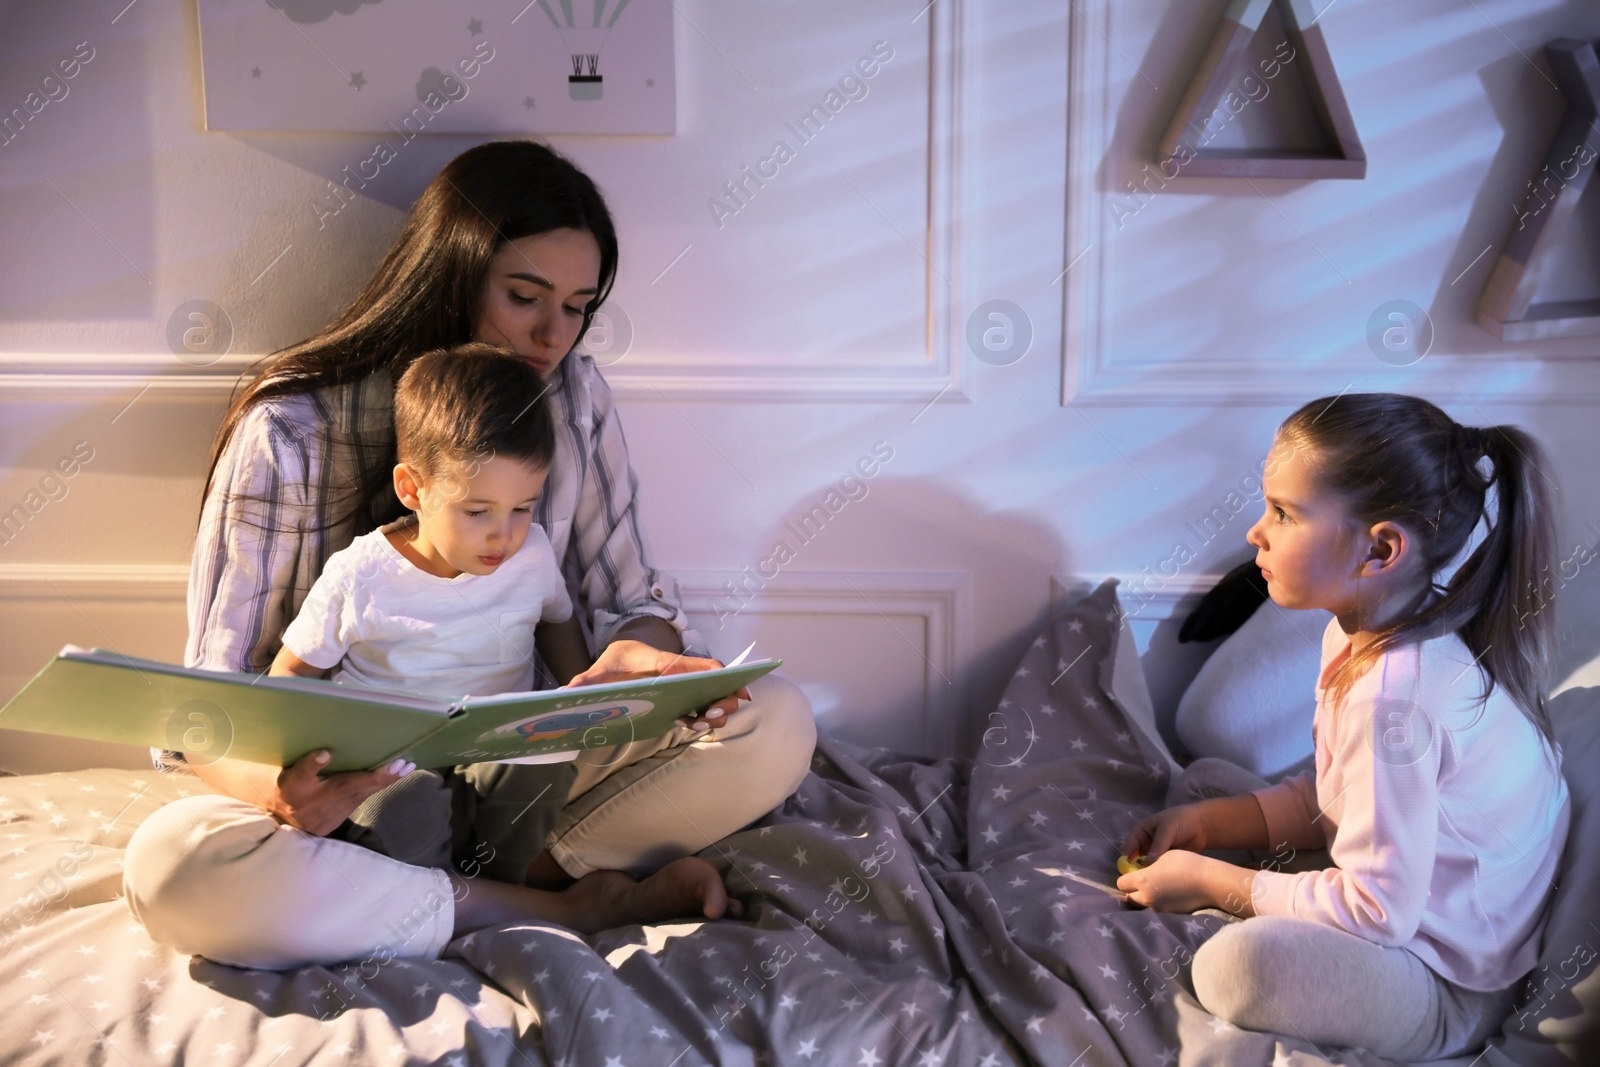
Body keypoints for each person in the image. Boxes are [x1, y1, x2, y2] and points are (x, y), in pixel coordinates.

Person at [122, 140, 816, 970]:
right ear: (454, 272)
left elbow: (631, 598)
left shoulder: (573, 396)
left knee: (775, 721)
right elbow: (207, 710)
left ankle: (473, 884)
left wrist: (646, 656)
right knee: (173, 866)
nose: (553, 334)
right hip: (351, 791)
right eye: (525, 296)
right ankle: (556, 903)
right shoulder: (292, 428)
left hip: (517, 767)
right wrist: (277, 791)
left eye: (577, 306)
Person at [1116, 393, 1570, 1061]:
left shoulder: (1394, 701)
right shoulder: (1365, 633)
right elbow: (1335, 797)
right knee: (1206, 786)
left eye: (1282, 513)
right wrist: (1215, 830)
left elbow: (1379, 912)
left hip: (1449, 979)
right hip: (1404, 897)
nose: (1254, 534)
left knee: (1234, 969)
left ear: (1379, 549)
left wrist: (1216, 884)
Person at [267, 344, 597, 885]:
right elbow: (292, 674)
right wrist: (309, 765)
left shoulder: (531, 554)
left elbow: (556, 619)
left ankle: (495, 884)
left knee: (541, 767)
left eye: (523, 508)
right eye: (477, 511)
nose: (503, 534)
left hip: (490, 749)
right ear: (412, 490)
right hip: (393, 759)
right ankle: (427, 891)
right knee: (401, 804)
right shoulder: (362, 575)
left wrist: (581, 690)